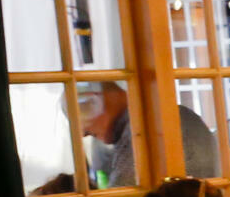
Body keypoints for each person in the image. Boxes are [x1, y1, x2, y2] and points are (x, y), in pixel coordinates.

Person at [82, 81, 220, 189]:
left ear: (101, 101)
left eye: (82, 114)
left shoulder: (139, 128)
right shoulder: (174, 113)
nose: (83, 133)